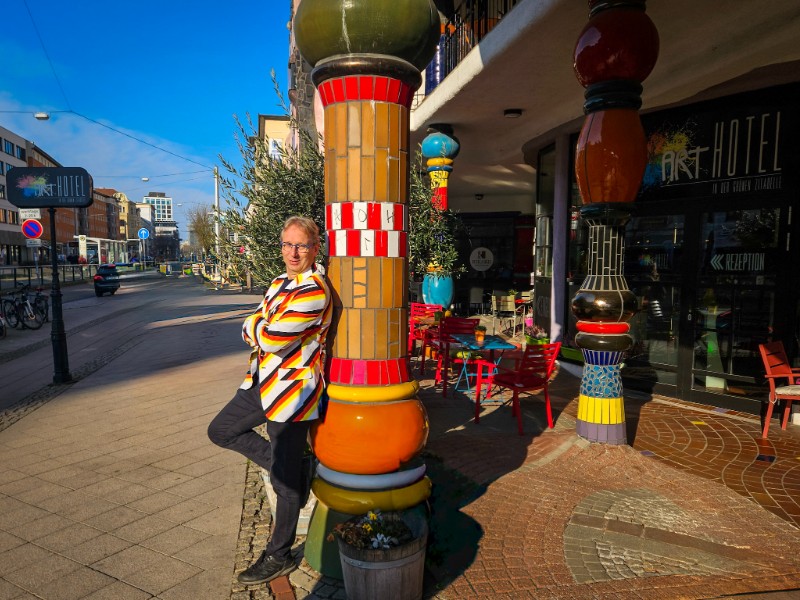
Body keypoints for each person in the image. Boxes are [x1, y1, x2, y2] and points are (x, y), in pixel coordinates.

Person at [208, 216, 332, 585]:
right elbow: (253, 325)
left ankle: (278, 555)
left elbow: (272, 337)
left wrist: (259, 326)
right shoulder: (279, 283)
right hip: (260, 383)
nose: (293, 252)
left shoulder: (314, 290)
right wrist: (260, 326)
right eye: (287, 245)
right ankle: (295, 468)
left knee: (283, 483)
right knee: (221, 430)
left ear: (315, 248)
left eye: (301, 246)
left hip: (293, 392)